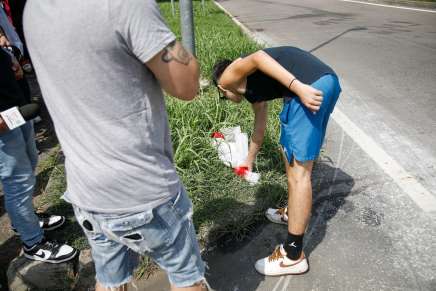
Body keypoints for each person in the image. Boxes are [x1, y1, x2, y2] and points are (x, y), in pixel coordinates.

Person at [24, 0, 207, 290]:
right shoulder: (125, 4)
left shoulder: (34, 8)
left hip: (86, 191)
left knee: (110, 280)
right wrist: (164, 39)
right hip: (142, 190)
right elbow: (187, 85)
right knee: (187, 279)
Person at [212, 46, 341, 276]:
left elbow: (259, 57)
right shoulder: (253, 92)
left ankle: (292, 256)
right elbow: (259, 129)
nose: (228, 100)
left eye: (223, 97)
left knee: (298, 175)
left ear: (221, 87)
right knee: (296, 163)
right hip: (326, 82)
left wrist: (298, 87)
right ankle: (292, 212)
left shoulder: (229, 76)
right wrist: (248, 161)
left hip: (308, 87)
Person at [0, 47, 77, 263]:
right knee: (17, 180)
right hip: (1, 124)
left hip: (13, 108)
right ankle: (33, 242)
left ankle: (23, 220)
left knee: (31, 161)